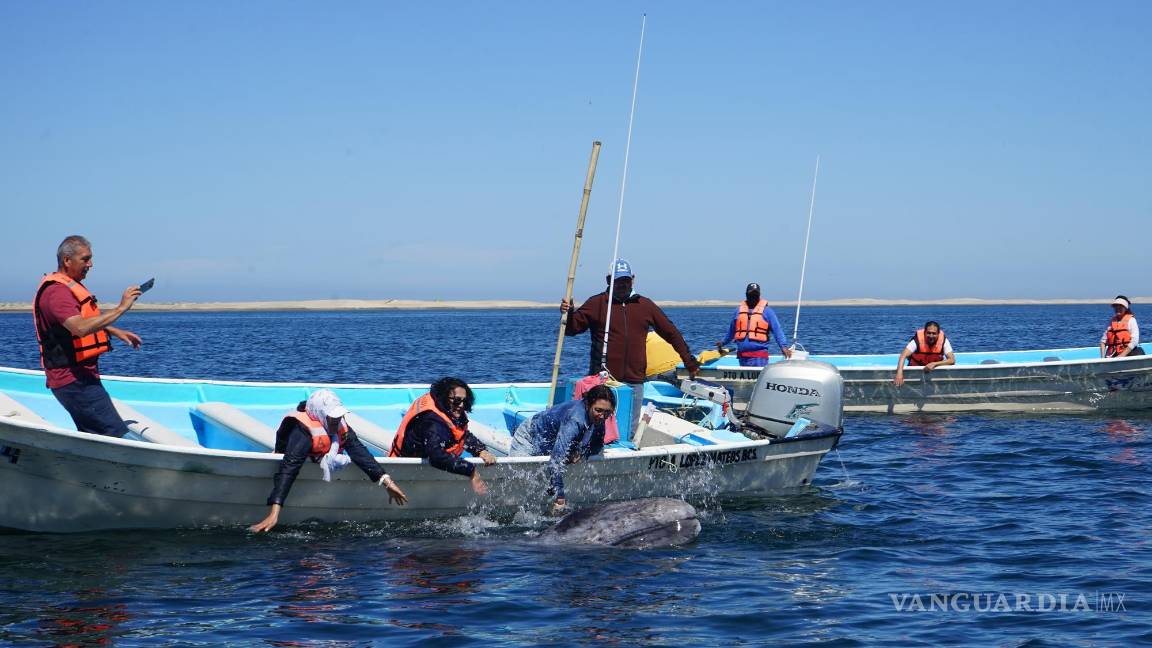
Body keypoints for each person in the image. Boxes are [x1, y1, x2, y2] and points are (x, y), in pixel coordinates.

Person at [561, 259, 700, 435]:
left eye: (626, 280)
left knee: (629, 430)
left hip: (635, 381)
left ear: (633, 279)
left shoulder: (645, 305)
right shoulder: (597, 303)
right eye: (618, 281)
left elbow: (671, 332)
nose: (622, 285)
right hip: (604, 381)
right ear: (608, 280)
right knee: (598, 430)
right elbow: (572, 329)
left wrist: (689, 361)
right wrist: (569, 313)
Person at [249, 389, 408, 532]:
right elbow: (289, 468)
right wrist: (274, 513)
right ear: (319, 413)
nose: (336, 420)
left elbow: (359, 452)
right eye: (331, 417)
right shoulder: (303, 430)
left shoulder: (339, 424)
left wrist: (387, 482)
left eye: (338, 416)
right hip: (291, 459)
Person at [32, 235, 144, 437]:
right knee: (116, 435)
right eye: (85, 259)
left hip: (82, 376)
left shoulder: (69, 287)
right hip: (72, 380)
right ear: (67, 260)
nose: (91, 264)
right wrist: (121, 308)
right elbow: (80, 328)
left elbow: (81, 318)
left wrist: (113, 330)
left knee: (95, 434)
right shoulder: (57, 293)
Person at [509, 385, 616, 515]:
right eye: (598, 410)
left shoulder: (599, 418)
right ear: (588, 404)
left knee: (550, 479)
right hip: (529, 436)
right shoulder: (575, 420)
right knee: (521, 480)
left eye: (607, 412)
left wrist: (581, 453)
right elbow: (555, 461)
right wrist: (560, 497)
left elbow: (597, 445)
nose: (602, 416)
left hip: (552, 440)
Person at [389, 377, 497, 495]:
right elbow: (436, 456)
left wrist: (480, 450)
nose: (461, 405)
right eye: (456, 400)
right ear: (444, 397)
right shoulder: (432, 422)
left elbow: (461, 436)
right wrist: (471, 470)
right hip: (404, 471)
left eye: (464, 401)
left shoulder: (447, 411)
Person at [716, 282, 793, 366]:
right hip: (742, 356)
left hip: (759, 357)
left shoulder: (767, 312)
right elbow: (731, 332)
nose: (753, 297)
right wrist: (722, 343)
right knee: (743, 379)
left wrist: (783, 347)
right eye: (751, 295)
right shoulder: (738, 311)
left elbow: (777, 331)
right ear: (746, 295)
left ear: (759, 295)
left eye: (755, 295)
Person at [894, 321, 955, 386]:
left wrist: (935, 364)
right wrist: (899, 373)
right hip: (915, 371)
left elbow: (952, 360)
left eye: (934, 333)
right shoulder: (917, 340)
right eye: (928, 333)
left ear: (938, 333)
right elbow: (903, 356)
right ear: (924, 332)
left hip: (933, 371)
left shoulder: (944, 341)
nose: (931, 336)